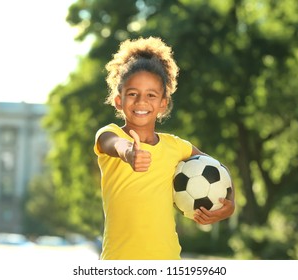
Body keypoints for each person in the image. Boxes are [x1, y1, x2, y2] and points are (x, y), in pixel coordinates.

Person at [93, 37, 235, 260]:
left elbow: (219, 168)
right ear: (118, 100)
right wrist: (129, 153)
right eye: (132, 94)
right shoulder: (110, 134)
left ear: (163, 103)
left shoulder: (175, 147)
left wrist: (230, 204)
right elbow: (113, 144)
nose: (141, 101)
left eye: (151, 95)